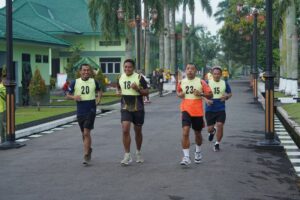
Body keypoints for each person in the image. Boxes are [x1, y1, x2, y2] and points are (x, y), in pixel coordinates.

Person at [177, 63, 213, 166]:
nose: (190, 71)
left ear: (195, 71)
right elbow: (178, 92)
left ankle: (198, 151)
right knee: (185, 132)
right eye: (188, 69)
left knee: (197, 133)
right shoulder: (181, 82)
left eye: (192, 69)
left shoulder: (201, 82)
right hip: (185, 110)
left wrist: (201, 94)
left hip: (197, 111)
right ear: (185, 70)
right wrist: (180, 95)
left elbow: (210, 95)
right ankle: (186, 157)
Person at [66, 63, 102, 165]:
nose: (86, 72)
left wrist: (98, 99)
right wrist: (74, 97)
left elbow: (99, 91)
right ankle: (89, 148)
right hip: (80, 110)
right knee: (84, 134)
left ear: (90, 71)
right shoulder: (75, 82)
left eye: (88, 70)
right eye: (84, 70)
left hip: (91, 109)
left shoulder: (94, 81)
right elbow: (67, 95)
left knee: (86, 132)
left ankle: (86, 154)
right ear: (80, 71)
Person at [116, 59, 149, 165]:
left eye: (129, 67)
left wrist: (138, 89)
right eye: (125, 67)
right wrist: (118, 92)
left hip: (138, 108)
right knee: (125, 129)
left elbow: (146, 92)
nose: (127, 69)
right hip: (126, 107)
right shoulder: (120, 77)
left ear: (133, 68)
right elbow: (118, 88)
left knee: (138, 131)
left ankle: (138, 153)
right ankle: (127, 155)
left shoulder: (139, 77)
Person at [204, 66, 232, 152]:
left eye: (218, 74)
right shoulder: (207, 82)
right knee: (210, 128)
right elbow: (201, 94)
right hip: (210, 109)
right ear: (212, 74)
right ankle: (212, 131)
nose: (216, 75)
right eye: (215, 74)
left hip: (220, 108)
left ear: (221, 75)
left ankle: (217, 143)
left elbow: (230, 93)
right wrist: (206, 100)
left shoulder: (224, 83)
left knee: (220, 125)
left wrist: (226, 97)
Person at [0, 76, 6, 143]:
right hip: (2, 109)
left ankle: (3, 140)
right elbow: (7, 95)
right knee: (2, 125)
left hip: (1, 109)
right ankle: (3, 140)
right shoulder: (2, 87)